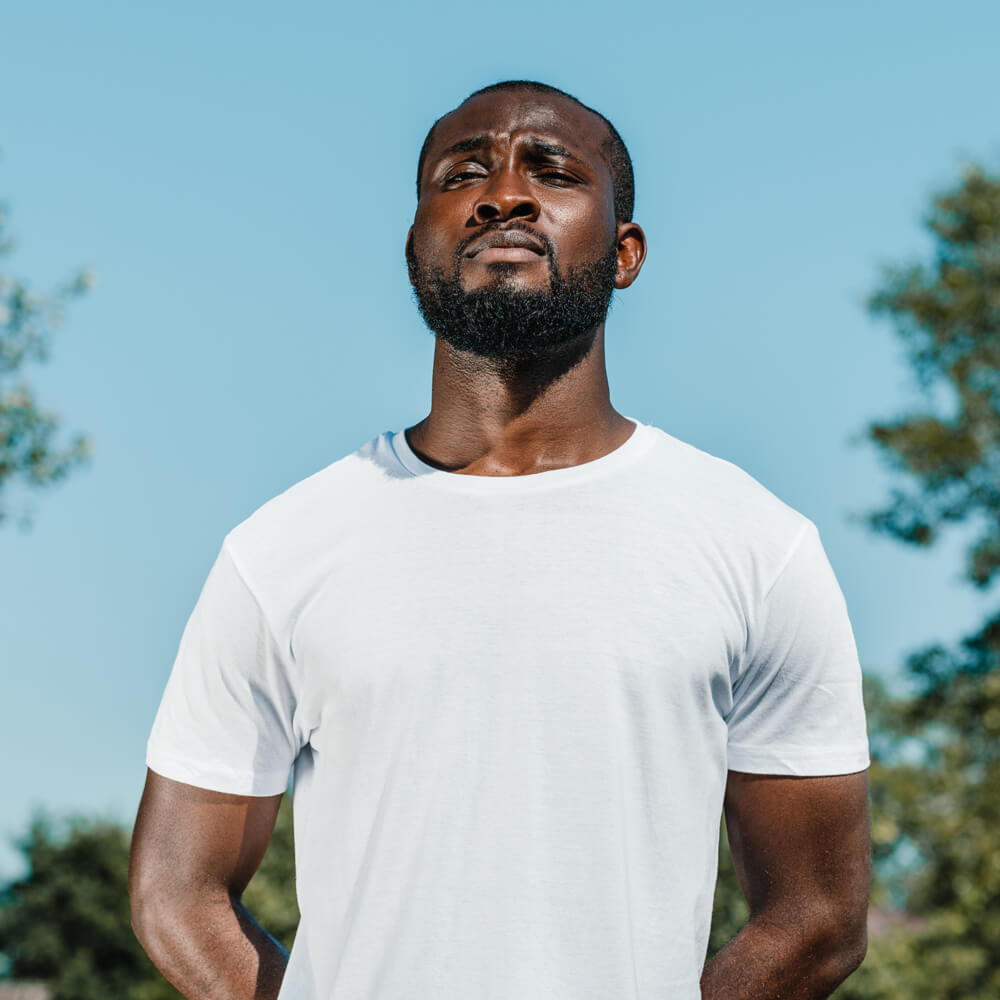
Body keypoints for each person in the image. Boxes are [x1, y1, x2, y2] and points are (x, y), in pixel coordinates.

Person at [128, 79, 871, 1000]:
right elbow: (176, 892)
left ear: (626, 253)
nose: (503, 195)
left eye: (551, 172)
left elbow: (818, 917)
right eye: (463, 174)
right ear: (415, 249)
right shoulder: (280, 550)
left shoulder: (757, 547)